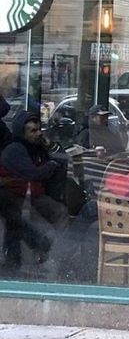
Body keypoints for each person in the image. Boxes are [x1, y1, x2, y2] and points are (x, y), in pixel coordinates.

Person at [0, 110, 70, 266]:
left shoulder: (36, 147)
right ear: (22, 132)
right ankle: (42, 249)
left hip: (30, 194)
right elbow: (33, 174)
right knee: (18, 221)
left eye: (39, 129)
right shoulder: (14, 149)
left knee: (60, 213)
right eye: (33, 130)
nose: (38, 133)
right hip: (12, 194)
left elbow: (63, 159)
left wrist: (50, 145)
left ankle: (54, 253)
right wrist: (50, 165)